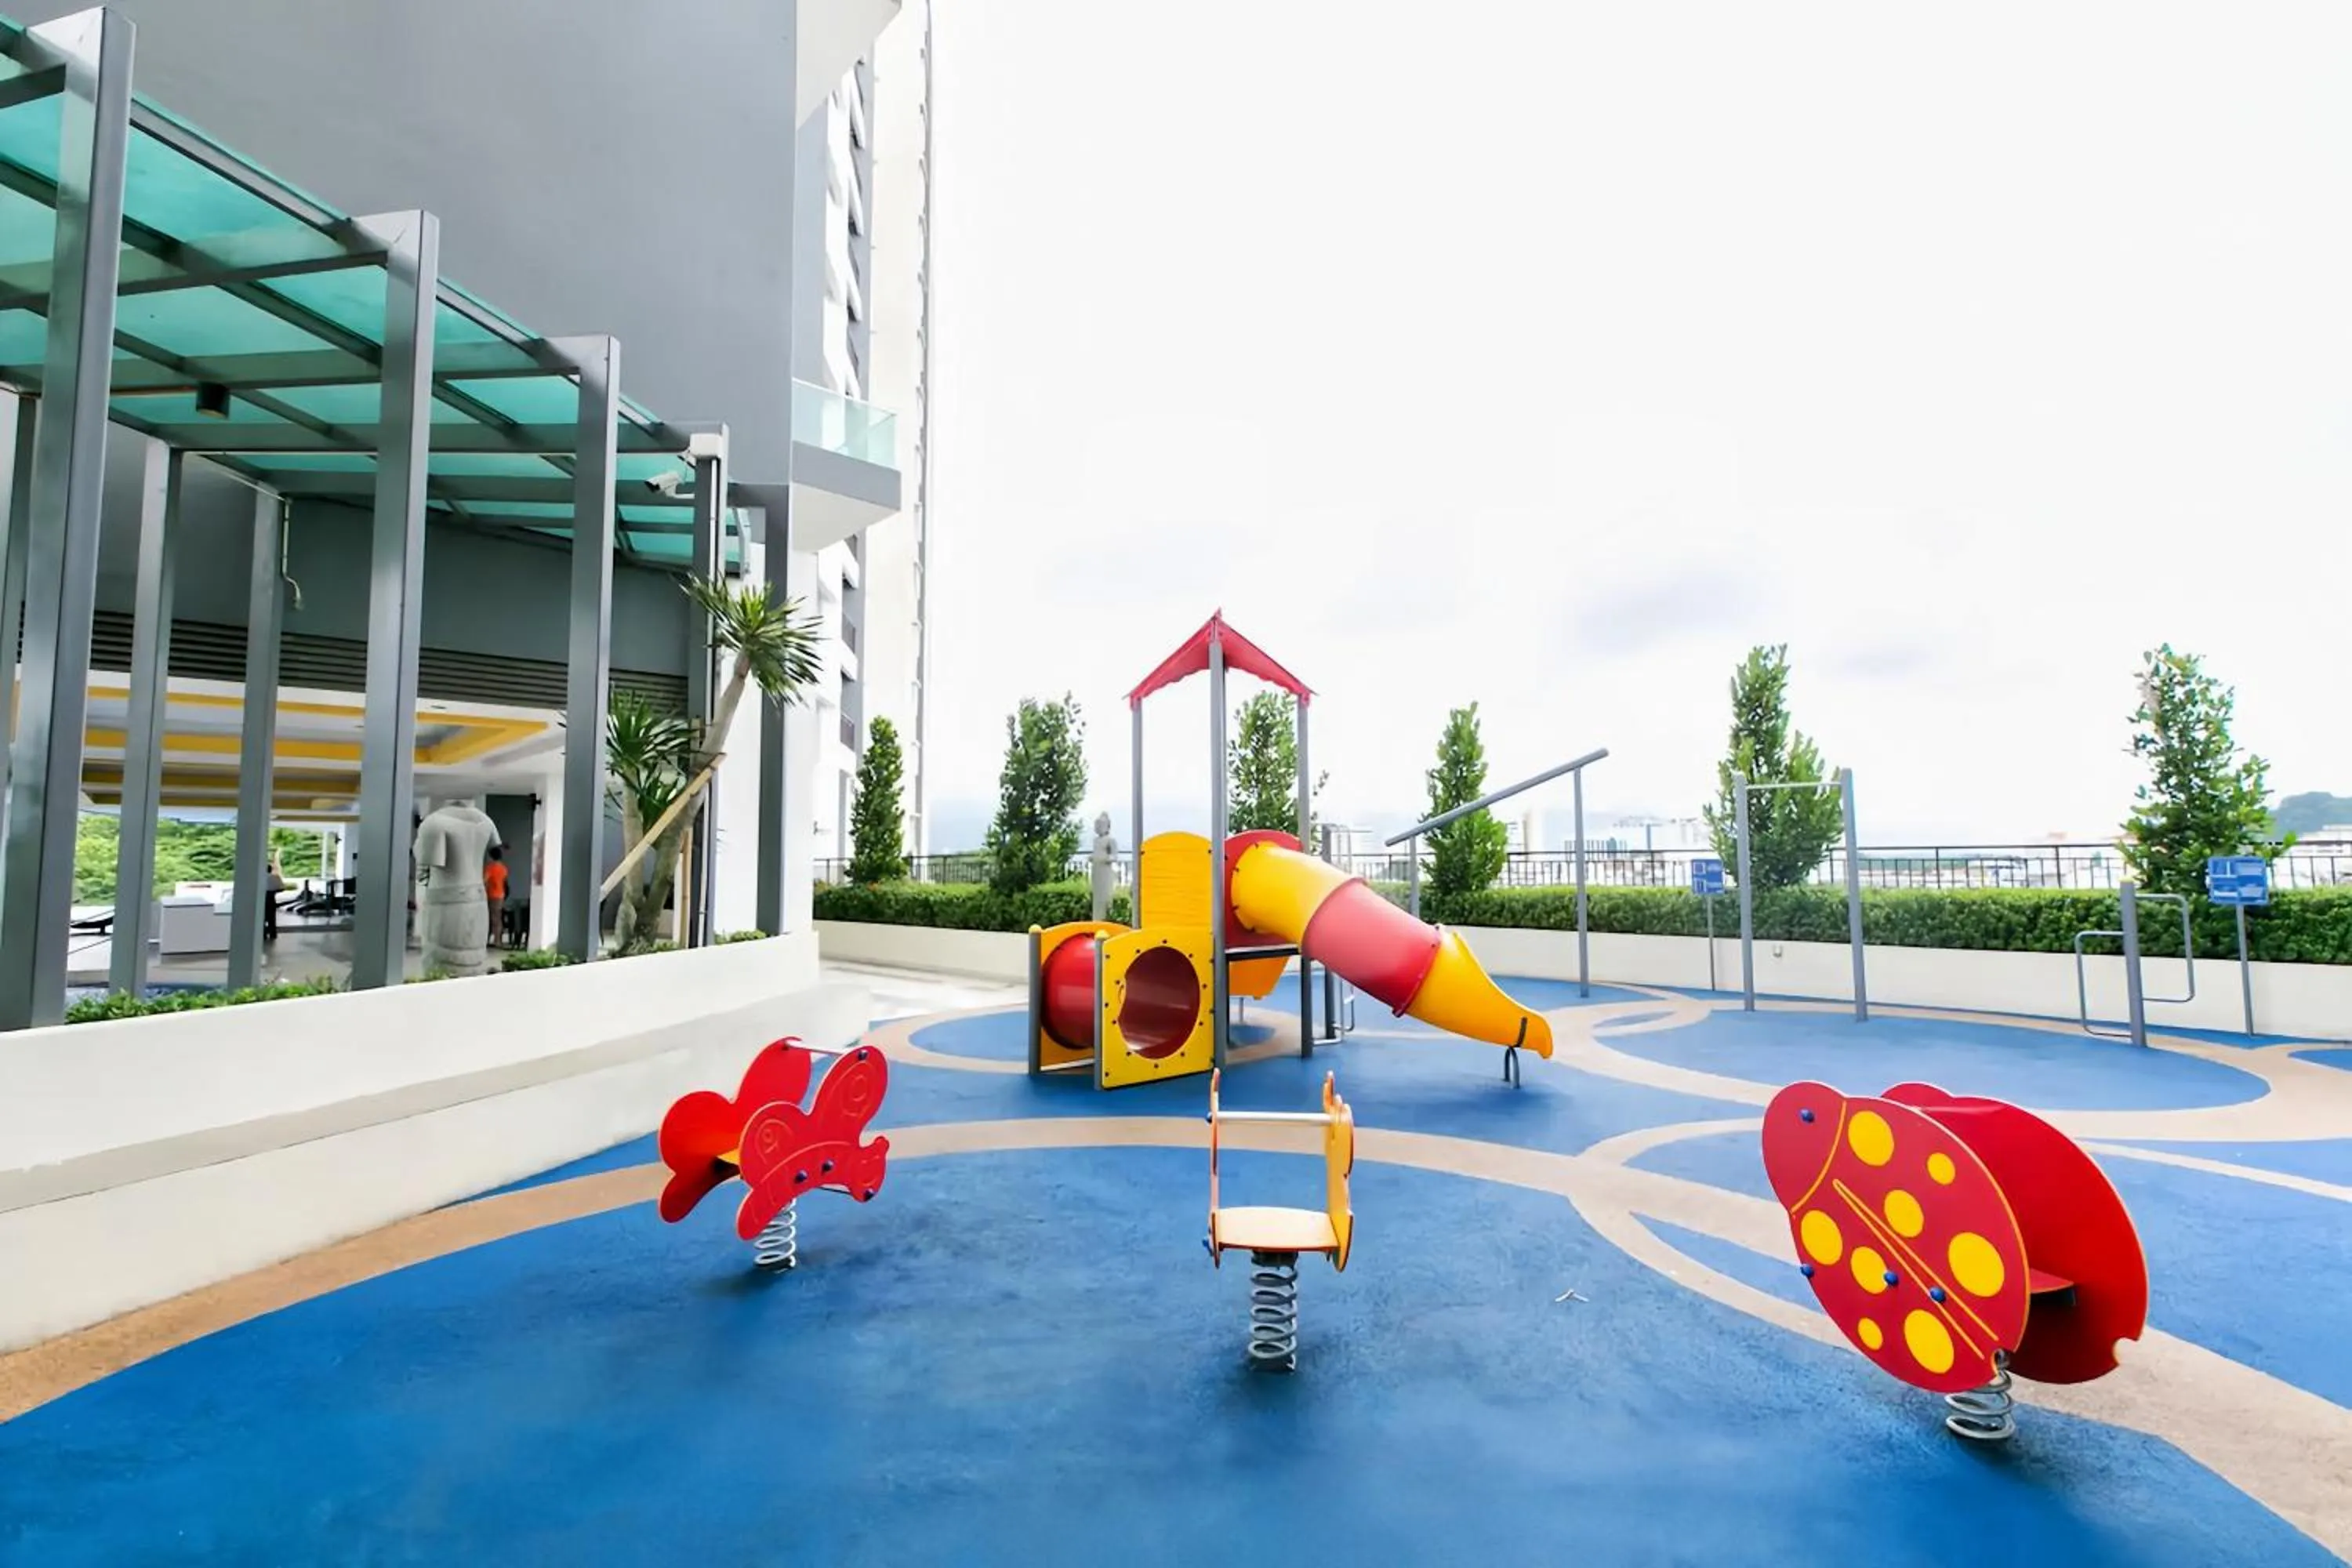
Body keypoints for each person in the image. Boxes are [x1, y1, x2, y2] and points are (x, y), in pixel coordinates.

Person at [484, 844, 510, 949]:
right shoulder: (503, 868)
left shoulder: (490, 868)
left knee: (491, 919)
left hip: (491, 895)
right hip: (501, 895)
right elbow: (504, 882)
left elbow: (484, 881)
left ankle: (495, 941)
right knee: (498, 918)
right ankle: (497, 940)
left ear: (491, 856)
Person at [263, 852, 288, 942]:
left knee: (262, 917)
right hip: (271, 898)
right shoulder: (276, 877)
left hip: (262, 898)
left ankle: (263, 934)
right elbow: (282, 888)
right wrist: (274, 892)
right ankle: (273, 934)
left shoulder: (260, 878)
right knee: (271, 917)